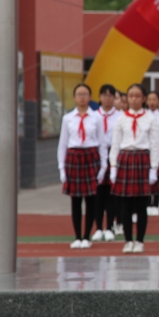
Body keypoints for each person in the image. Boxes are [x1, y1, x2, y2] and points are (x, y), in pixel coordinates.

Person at [109, 83, 159, 254]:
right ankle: (127, 240)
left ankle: (139, 240)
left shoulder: (150, 118)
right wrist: (113, 166)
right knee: (124, 204)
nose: (134, 98)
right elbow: (115, 143)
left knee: (141, 205)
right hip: (125, 159)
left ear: (143, 98)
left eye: (138, 95)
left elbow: (154, 144)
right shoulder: (121, 118)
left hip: (142, 159)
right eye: (131, 95)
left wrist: (154, 167)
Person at [57, 84, 107, 249]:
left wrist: (103, 166)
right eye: (79, 94)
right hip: (74, 157)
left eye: (85, 94)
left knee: (91, 199)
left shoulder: (97, 118)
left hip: (90, 156)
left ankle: (87, 236)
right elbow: (63, 144)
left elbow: (102, 143)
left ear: (90, 96)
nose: (82, 97)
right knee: (75, 200)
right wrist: (62, 168)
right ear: (74, 97)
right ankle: (77, 236)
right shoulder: (68, 118)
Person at [94, 84, 120, 241]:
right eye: (104, 95)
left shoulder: (120, 116)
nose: (107, 98)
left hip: (113, 153)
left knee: (112, 193)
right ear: (99, 97)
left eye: (111, 95)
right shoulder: (93, 115)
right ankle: (97, 228)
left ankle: (110, 226)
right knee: (97, 194)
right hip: (96, 154)